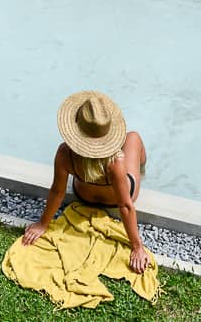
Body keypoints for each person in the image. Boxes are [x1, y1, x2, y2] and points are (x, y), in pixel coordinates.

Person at [22, 91, 149, 273]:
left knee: (102, 160)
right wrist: (137, 247)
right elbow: (125, 206)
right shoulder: (115, 162)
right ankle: (142, 168)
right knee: (133, 138)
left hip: (83, 194)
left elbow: (57, 191)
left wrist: (43, 224)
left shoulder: (64, 153)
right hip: (116, 197)